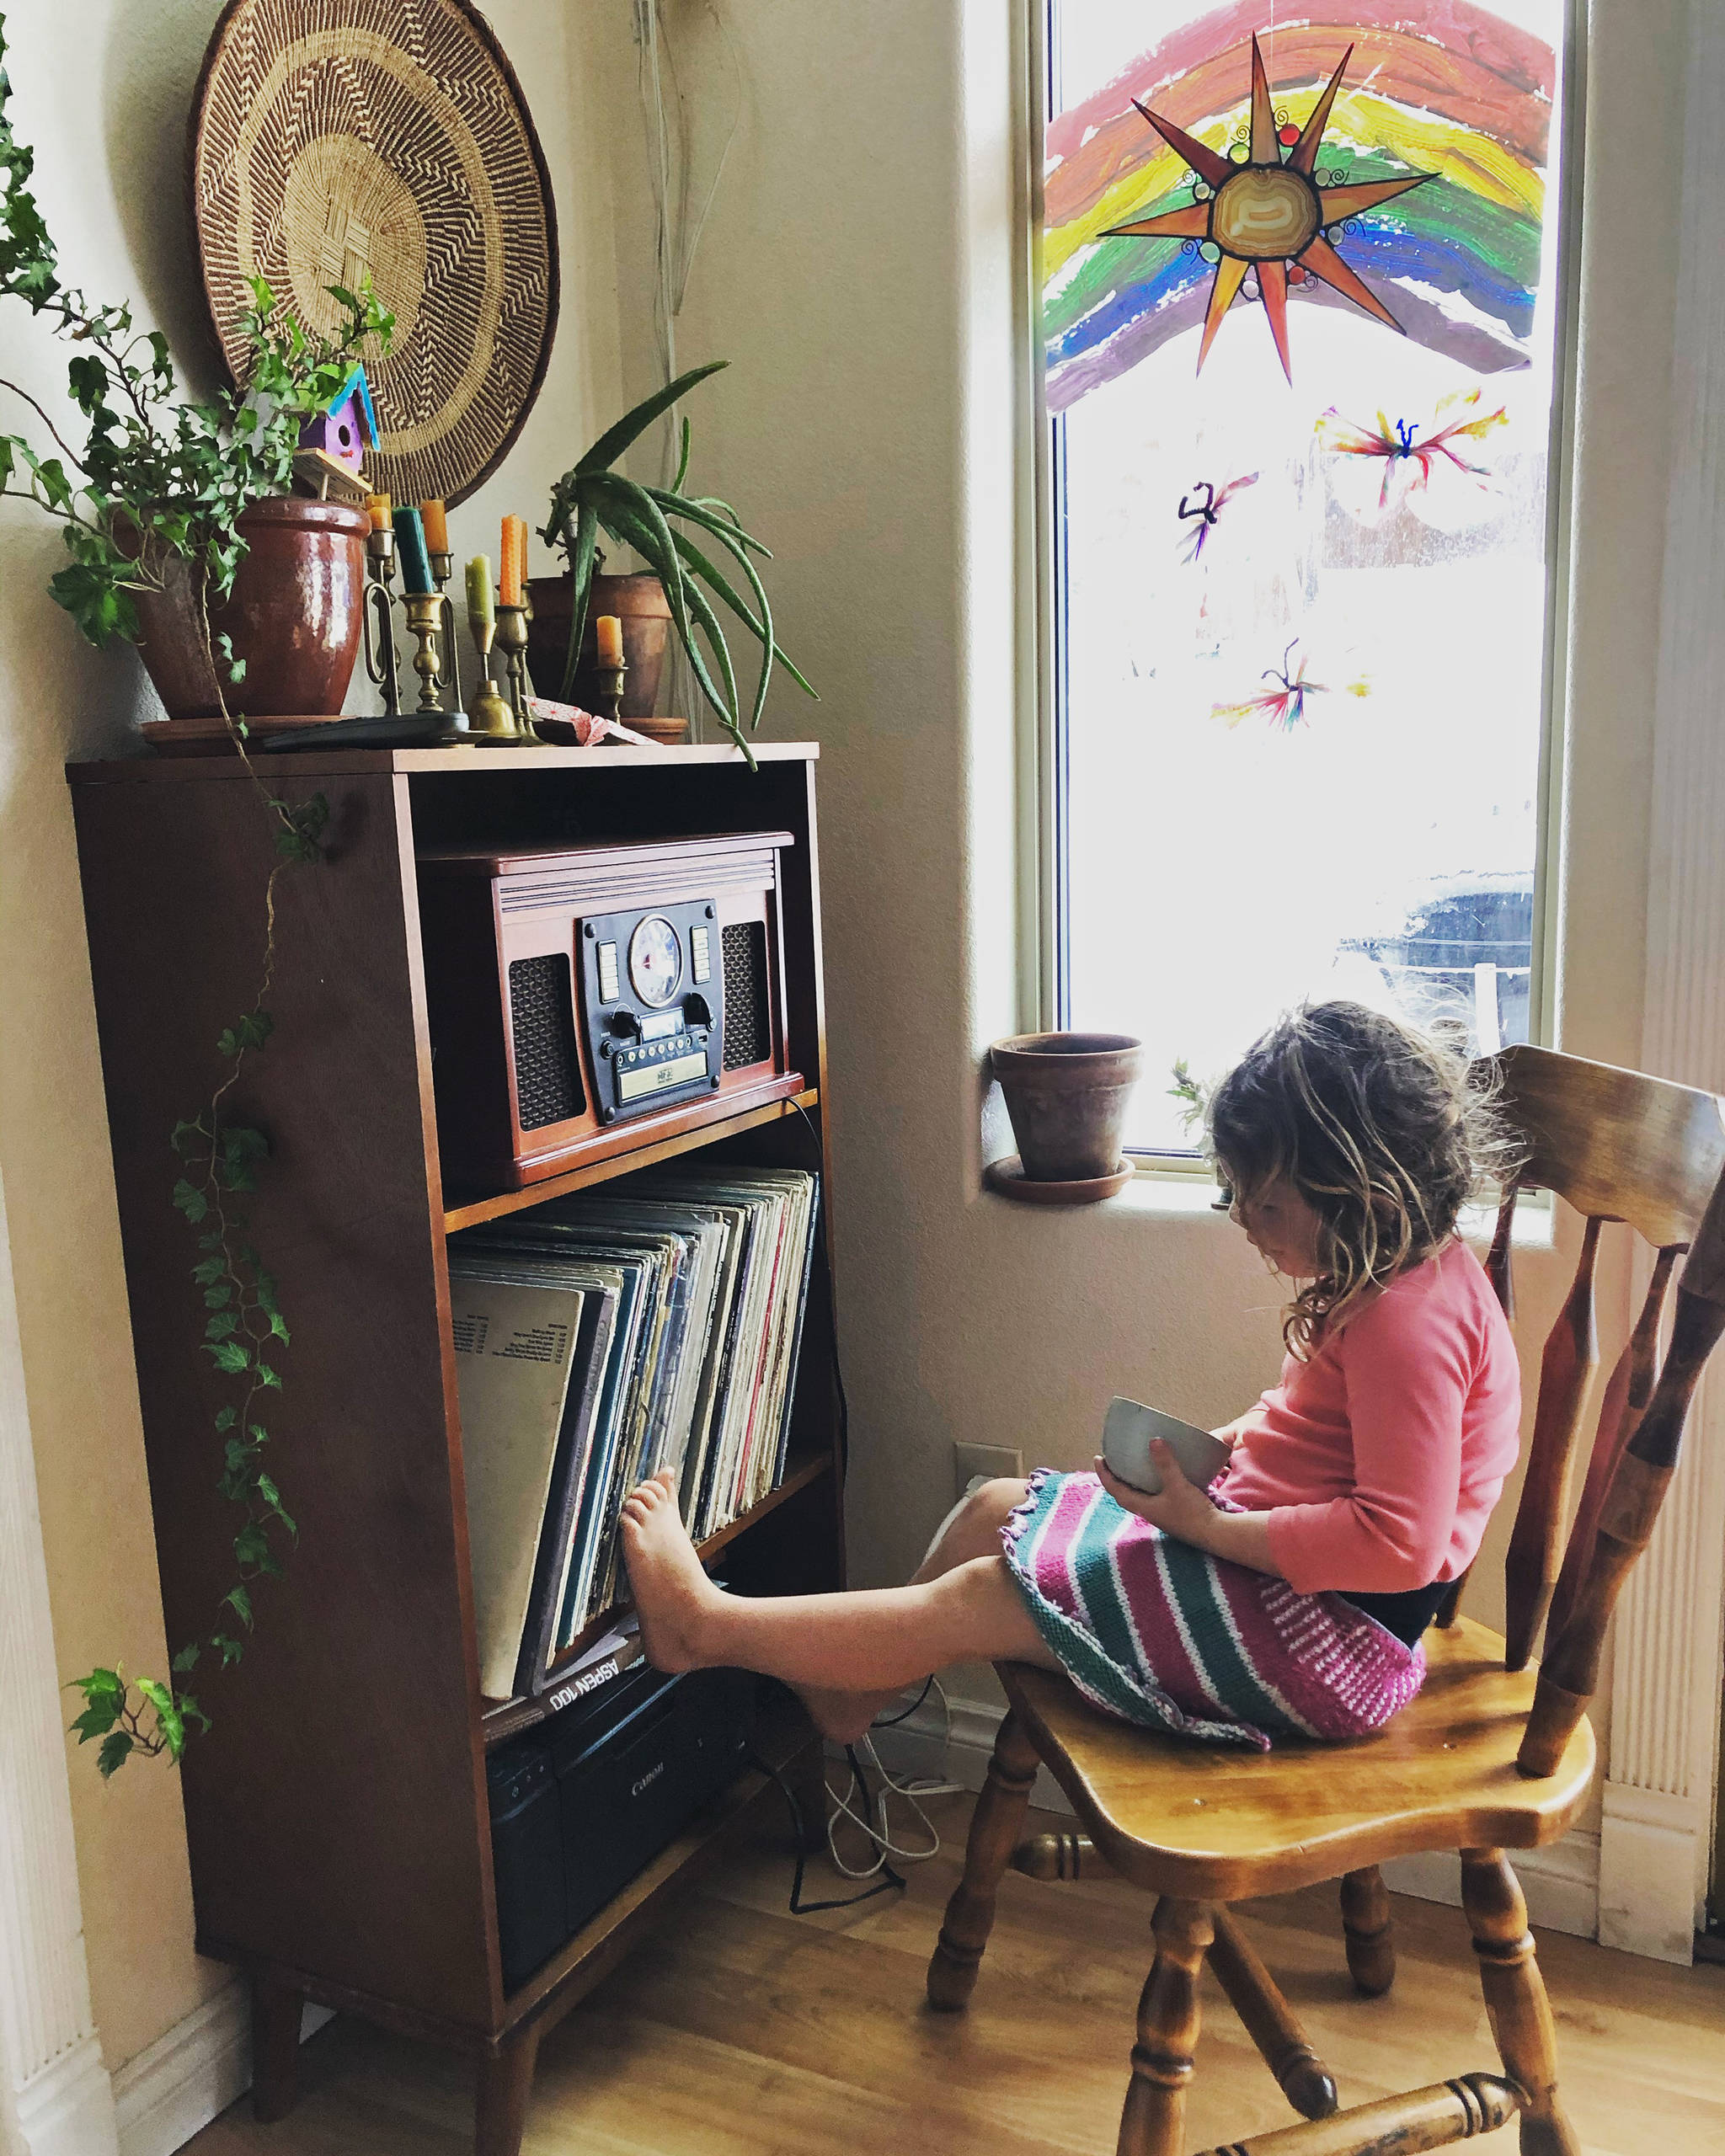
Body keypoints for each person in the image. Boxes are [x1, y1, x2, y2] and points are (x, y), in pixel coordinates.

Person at [621, 1001, 1524, 1751]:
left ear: (1360, 1191)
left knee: (985, 1596)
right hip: (1275, 1581)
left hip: (1324, 1647)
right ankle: (852, 1700)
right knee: (989, 1507)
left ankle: (702, 1628)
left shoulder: (1409, 1323)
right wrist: (1218, 1455)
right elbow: (1317, 1431)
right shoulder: (1385, 1281)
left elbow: (1395, 1546)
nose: (1244, 1219)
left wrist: (1205, 1525)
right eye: (1234, 1193)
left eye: (1266, 1200)